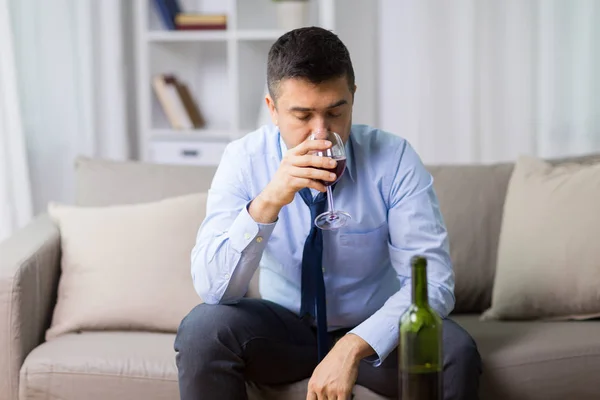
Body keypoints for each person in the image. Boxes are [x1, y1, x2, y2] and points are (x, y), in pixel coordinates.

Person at [174, 26, 481, 400]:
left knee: (456, 351)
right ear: (272, 109)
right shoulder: (243, 160)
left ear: (353, 97)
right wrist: (269, 201)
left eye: (336, 112)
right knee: (203, 329)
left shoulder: (394, 159)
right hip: (284, 332)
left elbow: (432, 284)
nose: (321, 133)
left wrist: (353, 345)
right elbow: (213, 289)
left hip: (374, 335)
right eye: (302, 116)